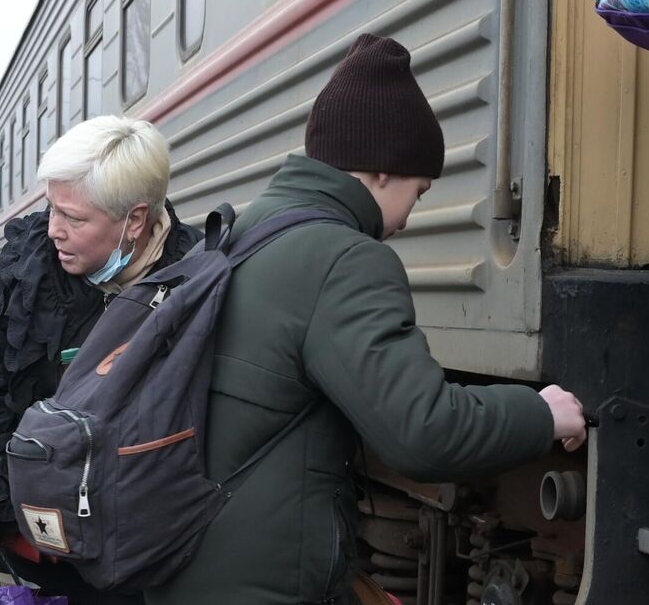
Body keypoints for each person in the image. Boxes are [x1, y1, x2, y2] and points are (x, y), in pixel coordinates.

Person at [144, 34, 587, 605]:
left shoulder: (246, 231)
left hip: (189, 567)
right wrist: (541, 413)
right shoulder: (347, 258)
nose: (406, 219)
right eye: (418, 192)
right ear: (381, 172)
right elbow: (421, 432)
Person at [0, 116, 202, 605]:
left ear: (135, 221)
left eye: (74, 219)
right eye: (52, 209)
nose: (53, 230)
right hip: (38, 547)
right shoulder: (26, 272)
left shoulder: (195, 284)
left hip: (141, 560)